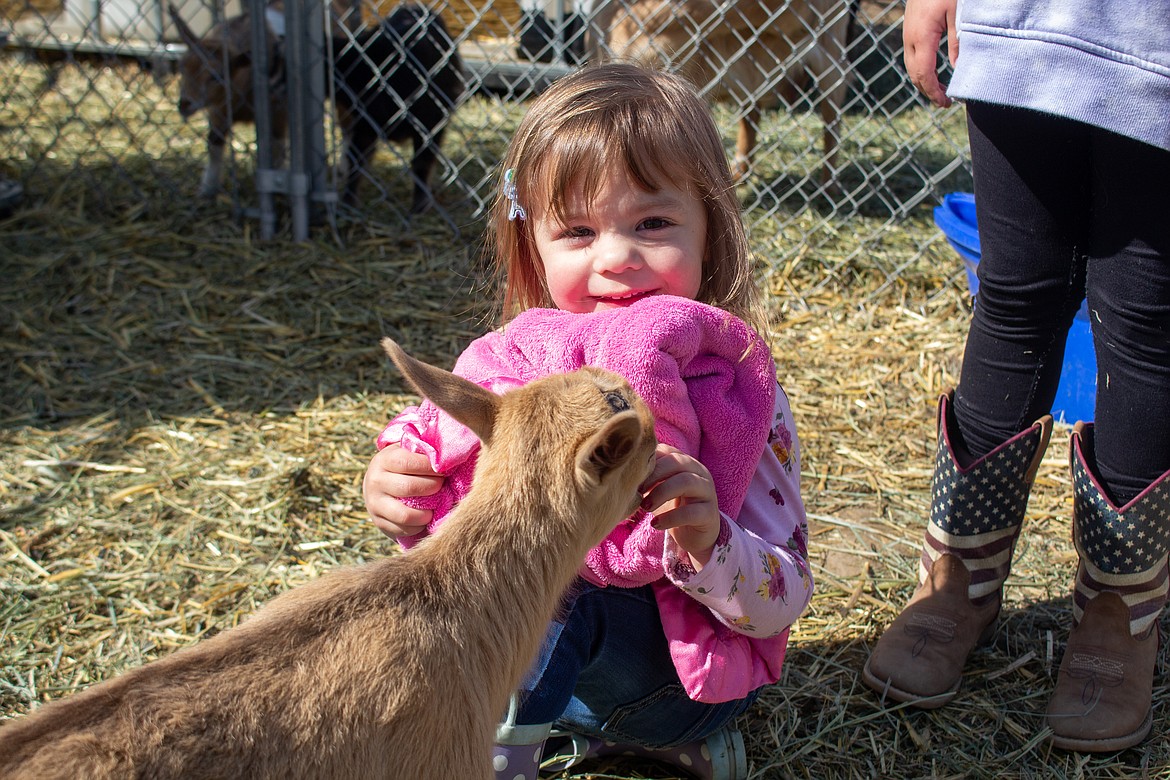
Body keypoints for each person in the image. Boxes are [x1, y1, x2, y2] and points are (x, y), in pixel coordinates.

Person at [363, 63, 813, 780]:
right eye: (576, 230)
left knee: (554, 593)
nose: (617, 259)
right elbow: (427, 457)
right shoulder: (513, 367)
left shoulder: (732, 394)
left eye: (654, 223)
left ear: (710, 231)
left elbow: (784, 597)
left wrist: (710, 541)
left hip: (667, 686)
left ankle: (484, 759)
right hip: (513, 672)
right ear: (531, 248)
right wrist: (393, 488)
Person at [864, 0, 1170, 753]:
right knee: (1013, 295)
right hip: (1028, 24)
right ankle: (956, 579)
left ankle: (1119, 614)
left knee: (1140, 321)